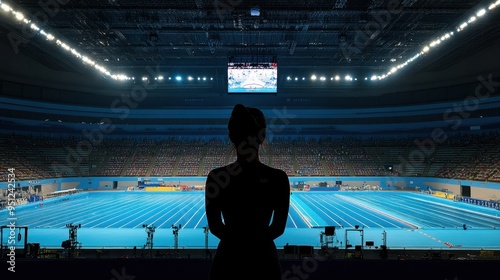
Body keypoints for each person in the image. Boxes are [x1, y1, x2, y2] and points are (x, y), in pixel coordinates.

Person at [205, 104, 290, 280]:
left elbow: (216, 227)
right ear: (263, 136)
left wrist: (238, 245)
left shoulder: (216, 177)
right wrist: (255, 245)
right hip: (264, 261)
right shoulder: (278, 178)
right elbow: (277, 228)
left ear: (231, 136)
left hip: (228, 260)